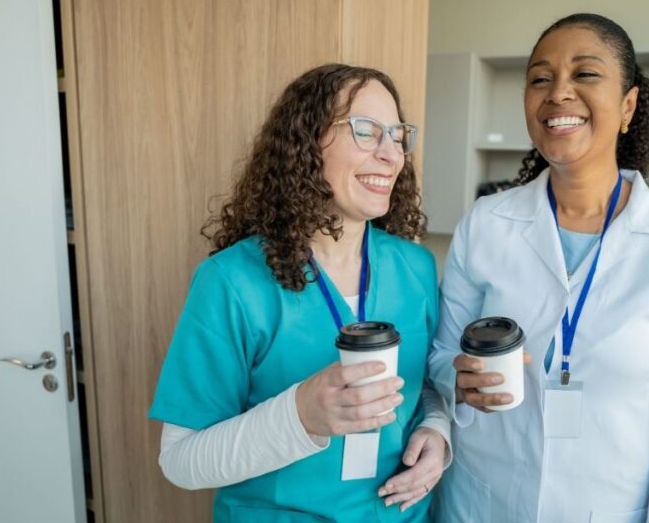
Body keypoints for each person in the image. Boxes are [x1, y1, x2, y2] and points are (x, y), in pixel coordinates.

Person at [428, 13, 649, 522]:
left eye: (585, 75)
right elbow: (441, 354)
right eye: (540, 79)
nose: (557, 93)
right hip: (480, 504)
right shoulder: (486, 223)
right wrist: (456, 380)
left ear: (628, 105)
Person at [149, 63, 450, 522]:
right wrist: (300, 415)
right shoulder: (231, 282)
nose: (392, 154)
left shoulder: (415, 267)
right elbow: (181, 461)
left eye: (397, 134)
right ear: (306, 143)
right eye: (366, 131)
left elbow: (423, 383)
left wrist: (437, 429)